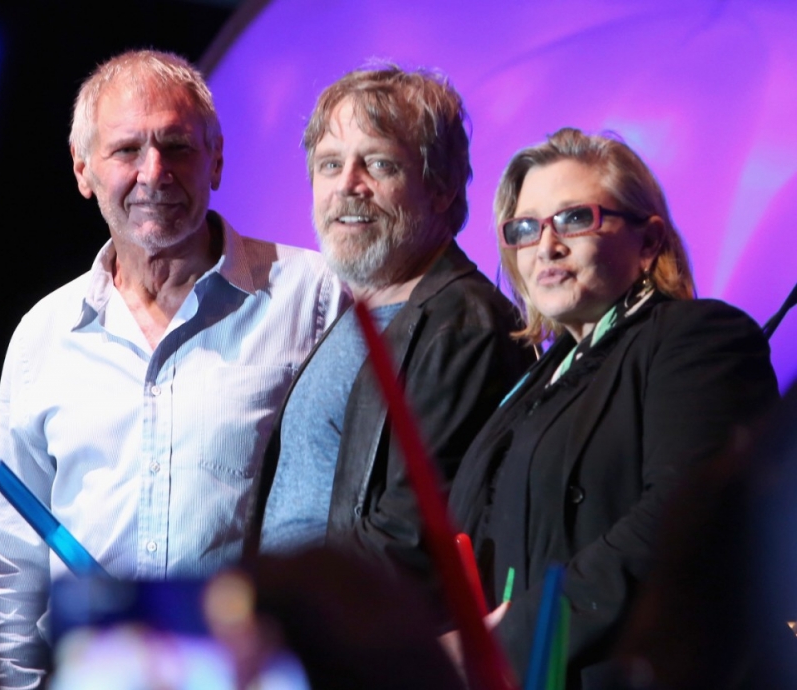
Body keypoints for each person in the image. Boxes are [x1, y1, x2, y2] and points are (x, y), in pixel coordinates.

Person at [0, 50, 348, 690]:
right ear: (82, 169)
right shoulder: (44, 334)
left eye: (177, 146)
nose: (154, 172)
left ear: (218, 159)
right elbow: (6, 563)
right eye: (126, 150)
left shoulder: (315, 299)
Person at [445, 127, 779, 687]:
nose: (545, 246)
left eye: (574, 218)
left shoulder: (698, 339)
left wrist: (518, 635)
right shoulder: (538, 379)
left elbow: (685, 524)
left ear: (648, 242)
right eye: (525, 229)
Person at [245, 66, 533, 598]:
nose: (347, 186)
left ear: (441, 187)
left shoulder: (463, 325)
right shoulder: (354, 315)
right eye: (330, 165)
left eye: (378, 163)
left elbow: (410, 538)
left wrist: (287, 614)